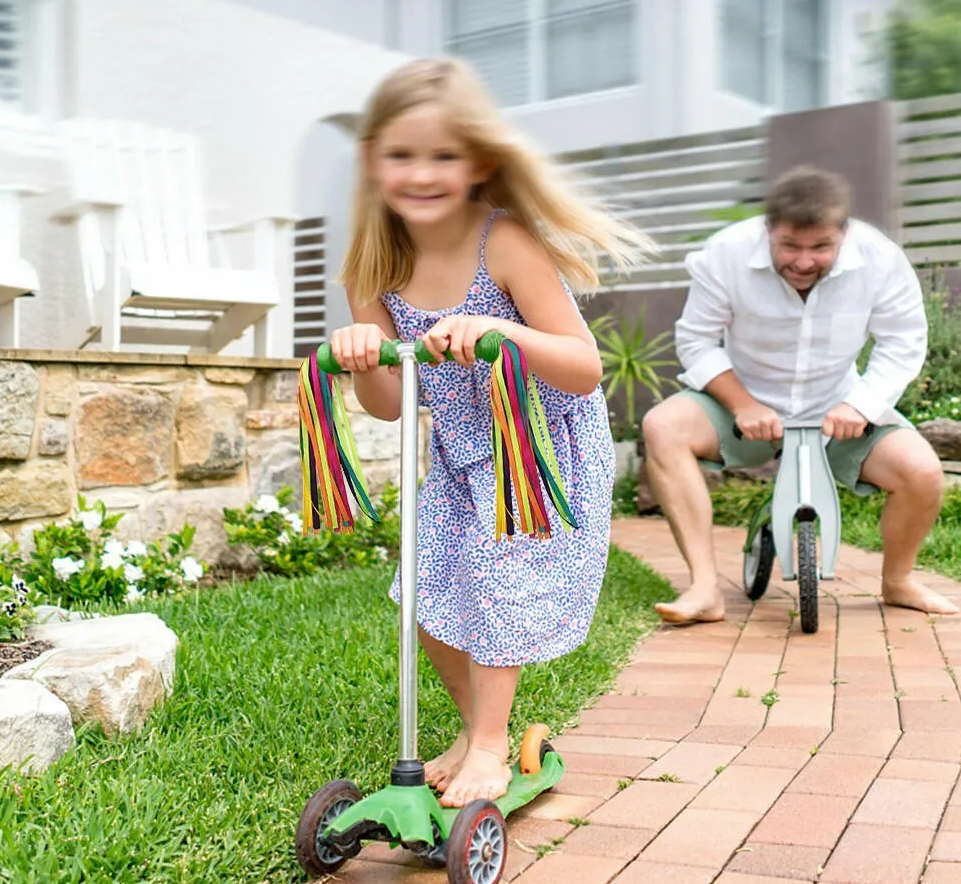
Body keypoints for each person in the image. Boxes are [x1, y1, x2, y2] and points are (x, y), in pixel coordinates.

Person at [327, 57, 652, 808]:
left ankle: (492, 747)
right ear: (373, 159)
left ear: (478, 161)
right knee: (424, 590)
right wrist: (360, 356)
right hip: (460, 452)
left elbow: (582, 366)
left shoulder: (503, 243)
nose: (421, 173)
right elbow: (386, 404)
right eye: (401, 154)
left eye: (443, 155)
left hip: (538, 450)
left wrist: (501, 330)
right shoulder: (371, 267)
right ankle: (475, 729)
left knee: (500, 584)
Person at [643, 165, 958, 624]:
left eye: (821, 247)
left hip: (839, 410)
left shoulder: (880, 258)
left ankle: (898, 581)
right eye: (790, 245)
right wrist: (743, 404)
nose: (804, 261)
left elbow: (903, 341)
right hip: (742, 407)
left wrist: (861, 405)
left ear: (844, 234)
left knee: (924, 472)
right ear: (769, 229)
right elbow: (696, 341)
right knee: (662, 426)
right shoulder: (725, 254)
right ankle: (705, 587)